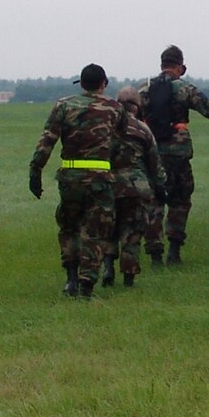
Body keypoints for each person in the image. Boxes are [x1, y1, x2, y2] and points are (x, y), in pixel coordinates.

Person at [140, 45, 209, 266]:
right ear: (181, 66)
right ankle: (175, 251)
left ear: (161, 65)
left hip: (151, 153)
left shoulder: (144, 90)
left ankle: (155, 254)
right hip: (178, 153)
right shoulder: (185, 89)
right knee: (180, 200)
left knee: (154, 201)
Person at [28, 64, 120, 300]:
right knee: (95, 232)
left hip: (70, 180)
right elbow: (122, 144)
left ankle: (71, 279)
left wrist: (35, 172)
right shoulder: (114, 108)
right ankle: (87, 285)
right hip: (101, 180)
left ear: (81, 84)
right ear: (104, 84)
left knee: (69, 227)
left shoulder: (64, 105)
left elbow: (47, 141)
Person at [102, 86, 167, 289]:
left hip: (109, 184)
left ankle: (108, 268)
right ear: (137, 107)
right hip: (136, 187)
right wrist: (160, 186)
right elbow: (154, 161)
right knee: (131, 233)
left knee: (109, 229)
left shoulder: (107, 125)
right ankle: (128, 278)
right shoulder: (143, 129)